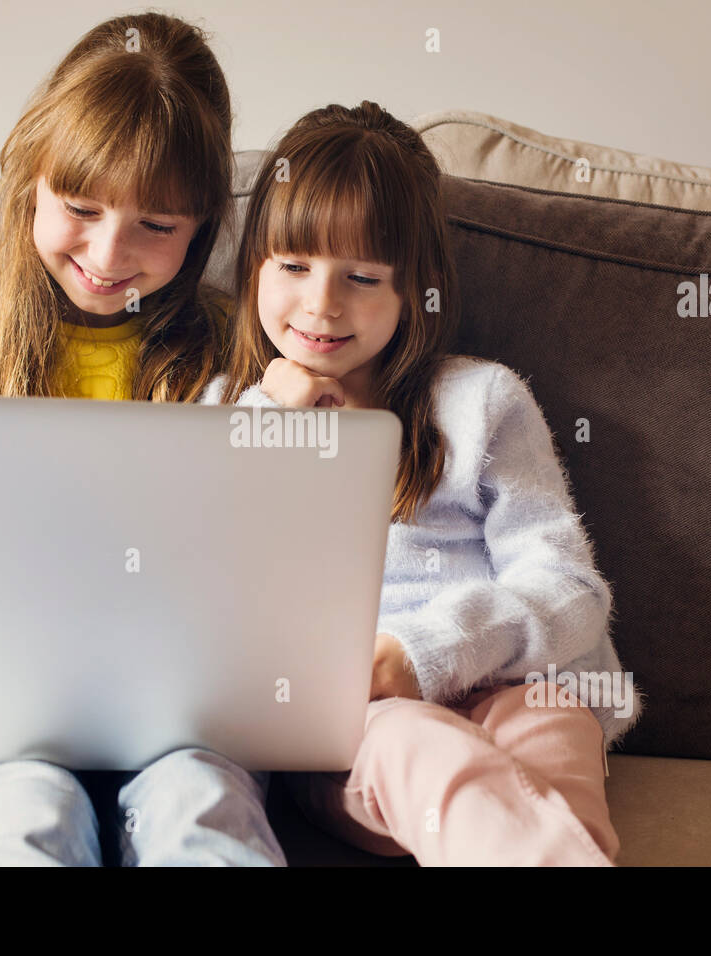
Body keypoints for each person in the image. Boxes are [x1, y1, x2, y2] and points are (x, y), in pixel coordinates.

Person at [0, 12, 285, 867]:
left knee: (198, 804)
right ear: (31, 182)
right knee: (22, 812)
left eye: (157, 226)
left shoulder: (228, 344)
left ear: (201, 230)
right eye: (79, 207)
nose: (109, 253)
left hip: (177, 718)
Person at [204, 100, 646, 865]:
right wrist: (266, 420)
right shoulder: (222, 417)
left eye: (363, 277)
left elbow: (570, 589)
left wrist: (424, 652)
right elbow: (204, 599)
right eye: (295, 266)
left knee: (550, 740)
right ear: (254, 270)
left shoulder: (481, 401)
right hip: (354, 720)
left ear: (415, 291)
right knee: (428, 757)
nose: (321, 303)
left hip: (513, 680)